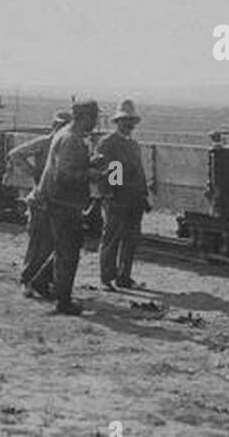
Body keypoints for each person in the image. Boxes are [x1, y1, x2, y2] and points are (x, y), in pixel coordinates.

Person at [27, 100, 101, 315]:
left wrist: (90, 164)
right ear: (83, 117)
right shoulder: (71, 139)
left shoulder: (70, 135)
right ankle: (63, 301)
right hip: (62, 202)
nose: (95, 123)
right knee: (68, 251)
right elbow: (65, 175)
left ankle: (41, 281)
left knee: (68, 246)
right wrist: (93, 174)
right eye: (93, 117)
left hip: (63, 201)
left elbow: (69, 167)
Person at [8, 109, 72, 294]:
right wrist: (34, 173)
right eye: (60, 125)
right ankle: (27, 280)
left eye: (65, 126)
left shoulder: (68, 146)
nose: (62, 129)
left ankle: (43, 282)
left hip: (59, 204)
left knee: (55, 245)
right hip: (41, 202)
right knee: (38, 244)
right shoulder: (44, 143)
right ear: (54, 126)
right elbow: (15, 154)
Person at [94, 100, 150, 290]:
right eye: (125, 121)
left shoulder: (134, 145)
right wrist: (110, 194)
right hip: (117, 198)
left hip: (134, 199)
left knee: (131, 239)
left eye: (131, 121)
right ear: (117, 122)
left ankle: (124, 277)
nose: (129, 125)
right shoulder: (108, 143)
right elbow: (108, 173)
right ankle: (107, 278)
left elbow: (140, 172)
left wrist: (143, 195)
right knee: (112, 238)